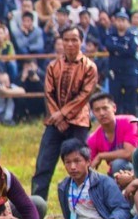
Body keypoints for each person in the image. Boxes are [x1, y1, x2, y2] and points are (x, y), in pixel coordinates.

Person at [31, 26, 99, 209]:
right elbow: (48, 93)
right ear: (61, 42)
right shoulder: (53, 66)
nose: (70, 44)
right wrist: (57, 117)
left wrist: (63, 114)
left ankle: (86, 204)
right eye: (66, 40)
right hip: (54, 123)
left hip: (79, 122)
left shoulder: (89, 67)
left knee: (80, 164)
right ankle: (35, 208)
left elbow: (84, 96)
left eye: (74, 39)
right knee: (43, 165)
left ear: (81, 41)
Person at [55, 140, 138, 219]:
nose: (72, 167)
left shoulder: (103, 182)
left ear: (88, 161)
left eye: (77, 161)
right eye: (68, 162)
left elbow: (122, 208)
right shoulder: (64, 187)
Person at [86, 92, 138, 173]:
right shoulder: (93, 139)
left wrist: (101, 156)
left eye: (105, 108)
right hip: (115, 173)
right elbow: (89, 166)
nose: (102, 113)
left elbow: (129, 153)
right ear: (93, 113)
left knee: (118, 164)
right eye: (97, 110)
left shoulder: (129, 122)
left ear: (114, 108)